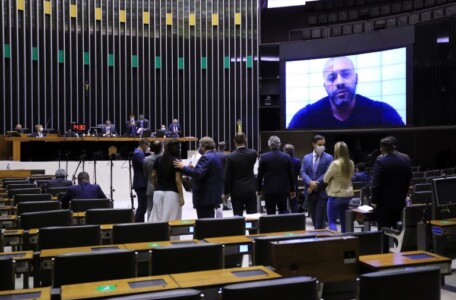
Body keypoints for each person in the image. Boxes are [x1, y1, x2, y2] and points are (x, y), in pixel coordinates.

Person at [288, 56, 404, 129]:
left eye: (346, 74)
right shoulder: (304, 117)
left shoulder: (383, 112)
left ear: (356, 78)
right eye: (332, 77)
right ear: (325, 86)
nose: (340, 82)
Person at [371, 136, 412, 252]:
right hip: (400, 201)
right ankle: (401, 254)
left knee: (384, 231)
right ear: (395, 146)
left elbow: (376, 184)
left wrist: (374, 201)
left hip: (384, 204)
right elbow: (409, 178)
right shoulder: (405, 158)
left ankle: (385, 255)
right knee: (398, 230)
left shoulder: (381, 161)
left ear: (382, 148)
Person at [174, 137, 223, 219]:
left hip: (204, 196)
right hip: (211, 195)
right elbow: (206, 172)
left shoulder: (205, 157)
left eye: (199, 145)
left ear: (203, 146)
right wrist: (192, 168)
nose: (199, 148)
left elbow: (198, 174)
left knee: (204, 222)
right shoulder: (215, 155)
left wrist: (183, 167)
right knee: (209, 219)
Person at [301, 135, 333, 229]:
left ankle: (320, 239)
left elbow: (328, 173)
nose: (322, 147)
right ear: (313, 144)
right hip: (310, 192)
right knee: (314, 220)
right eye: (320, 144)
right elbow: (303, 172)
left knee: (320, 220)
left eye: (323, 145)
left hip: (322, 192)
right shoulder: (306, 157)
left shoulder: (328, 157)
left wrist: (315, 183)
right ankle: (318, 238)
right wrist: (310, 182)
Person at [257, 136, 296, 215]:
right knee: (283, 210)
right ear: (280, 144)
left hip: (269, 189)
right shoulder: (287, 156)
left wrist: (259, 189)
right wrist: (292, 189)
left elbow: (260, 175)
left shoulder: (264, 157)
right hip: (283, 188)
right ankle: (282, 227)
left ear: (269, 145)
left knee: (270, 212)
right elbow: (290, 175)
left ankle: (272, 227)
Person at [149, 140, 185, 222]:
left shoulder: (158, 159)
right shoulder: (177, 161)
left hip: (158, 192)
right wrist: (181, 196)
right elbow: (177, 180)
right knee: (170, 219)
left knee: (156, 218)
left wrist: (156, 187)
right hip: (172, 193)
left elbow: (153, 175)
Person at [223, 133, 258, 216]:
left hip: (236, 190)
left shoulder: (230, 156)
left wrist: (226, 192)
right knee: (252, 216)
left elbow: (228, 176)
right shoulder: (253, 153)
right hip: (251, 188)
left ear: (234, 142)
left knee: (238, 216)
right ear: (245, 140)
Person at [323, 141, 354, 232]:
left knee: (331, 221)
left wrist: (332, 179)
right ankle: (345, 241)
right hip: (347, 194)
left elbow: (325, 179)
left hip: (335, 194)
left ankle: (335, 241)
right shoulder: (350, 162)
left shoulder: (335, 163)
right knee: (344, 221)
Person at [143, 141, 163, 220]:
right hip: (162, 187)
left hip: (150, 186)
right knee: (162, 209)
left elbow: (145, 174)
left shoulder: (146, 159)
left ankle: (149, 228)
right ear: (161, 148)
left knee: (150, 210)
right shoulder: (164, 158)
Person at [132, 139, 150, 222]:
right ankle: (138, 224)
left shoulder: (139, 153)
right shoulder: (138, 154)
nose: (148, 148)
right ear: (144, 145)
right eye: (148, 146)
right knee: (142, 207)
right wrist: (151, 157)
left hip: (141, 183)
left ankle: (140, 224)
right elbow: (145, 164)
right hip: (141, 183)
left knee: (143, 207)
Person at [283, 143, 302, 213]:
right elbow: (298, 172)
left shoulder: (282, 160)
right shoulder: (297, 161)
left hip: (283, 186)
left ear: (284, 151)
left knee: (283, 205)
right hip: (293, 185)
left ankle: (284, 220)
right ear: (293, 151)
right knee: (294, 204)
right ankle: (295, 220)